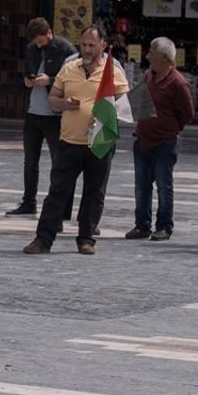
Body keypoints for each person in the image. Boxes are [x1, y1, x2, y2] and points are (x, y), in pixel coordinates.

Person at [23, 24, 129, 255]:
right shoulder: (69, 68)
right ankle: (43, 239)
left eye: (92, 45)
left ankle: (86, 238)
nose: (88, 49)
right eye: (84, 44)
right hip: (70, 141)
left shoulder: (114, 72)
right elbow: (52, 99)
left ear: (103, 45)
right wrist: (64, 104)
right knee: (57, 192)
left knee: (94, 192)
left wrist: (104, 115)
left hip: (100, 142)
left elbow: (123, 106)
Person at [126, 37, 194, 242]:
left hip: (165, 142)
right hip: (143, 139)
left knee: (164, 186)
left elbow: (187, 113)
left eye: (152, 53)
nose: (148, 56)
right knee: (142, 186)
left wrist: (172, 129)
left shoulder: (178, 83)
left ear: (164, 58)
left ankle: (164, 226)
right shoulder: (148, 76)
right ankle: (142, 225)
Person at [11, 17, 77, 216]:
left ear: (49, 33)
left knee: (61, 161)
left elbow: (75, 79)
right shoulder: (31, 49)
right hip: (33, 112)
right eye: (35, 42)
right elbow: (27, 72)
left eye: (40, 41)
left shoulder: (66, 49)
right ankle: (28, 202)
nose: (38, 45)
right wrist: (28, 81)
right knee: (30, 160)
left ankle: (63, 207)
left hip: (54, 115)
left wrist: (50, 80)